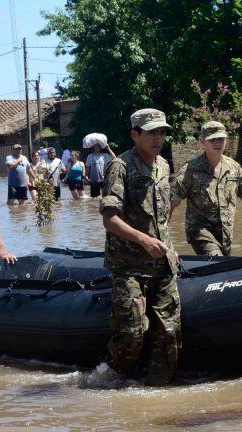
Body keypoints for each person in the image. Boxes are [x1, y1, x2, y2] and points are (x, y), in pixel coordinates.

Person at [99, 108, 180, 386]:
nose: (158, 139)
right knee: (132, 334)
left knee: (168, 333)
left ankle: (157, 392)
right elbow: (110, 219)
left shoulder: (163, 166)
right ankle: (105, 383)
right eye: (151, 133)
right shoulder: (120, 167)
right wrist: (144, 240)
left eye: (162, 133)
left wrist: (169, 245)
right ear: (135, 135)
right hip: (129, 265)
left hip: (162, 264)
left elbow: (162, 215)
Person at [170, 121, 242, 256]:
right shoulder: (190, 170)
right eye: (212, 140)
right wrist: (163, 235)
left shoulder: (234, 168)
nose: (217, 143)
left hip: (225, 234)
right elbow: (171, 201)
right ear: (202, 142)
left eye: (221, 139)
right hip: (200, 232)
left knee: (224, 269)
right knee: (215, 258)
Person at [84, 133, 117, 198]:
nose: (97, 148)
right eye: (95, 146)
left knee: (105, 197)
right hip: (94, 181)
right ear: (93, 147)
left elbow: (115, 158)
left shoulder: (104, 156)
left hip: (104, 180)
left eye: (98, 146)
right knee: (94, 199)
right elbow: (87, 167)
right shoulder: (90, 156)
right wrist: (85, 177)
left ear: (100, 147)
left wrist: (108, 148)